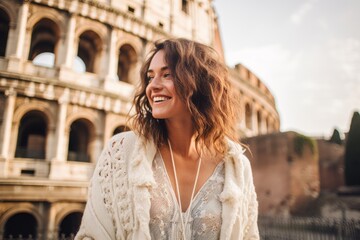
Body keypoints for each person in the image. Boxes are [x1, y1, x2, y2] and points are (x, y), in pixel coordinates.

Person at [75, 38, 259, 240]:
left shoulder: (237, 166)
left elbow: (249, 235)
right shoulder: (119, 152)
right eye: (150, 77)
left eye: (166, 75)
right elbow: (91, 235)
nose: (152, 86)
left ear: (199, 83)